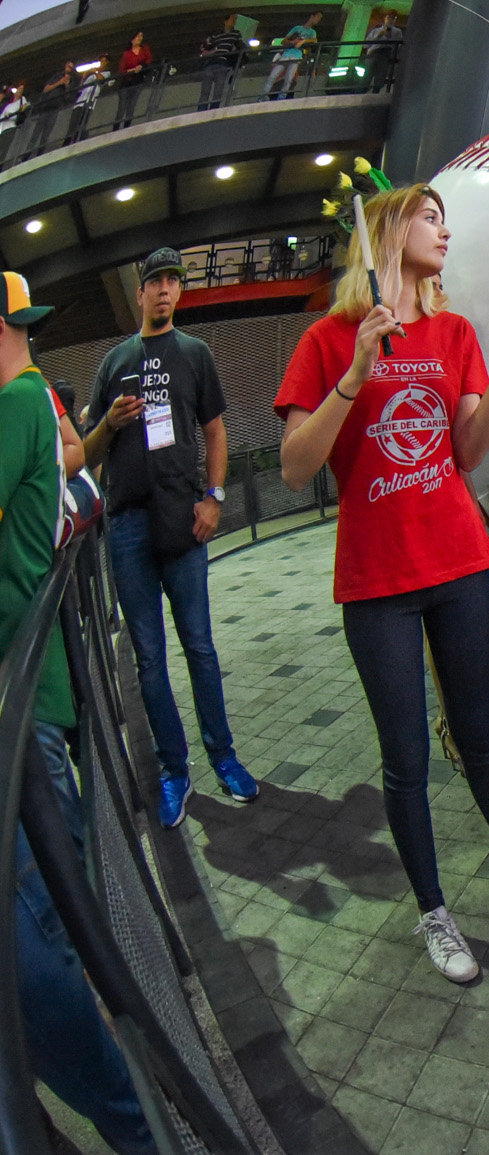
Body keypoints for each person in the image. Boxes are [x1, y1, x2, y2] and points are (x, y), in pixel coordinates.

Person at [275, 185, 489, 982]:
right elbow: (296, 466)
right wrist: (356, 374)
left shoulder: (452, 334)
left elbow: (470, 450)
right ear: (387, 229)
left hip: (456, 560)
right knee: (405, 755)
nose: (444, 232)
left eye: (446, 220)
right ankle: (433, 912)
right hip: (376, 578)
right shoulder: (327, 338)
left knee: (480, 734)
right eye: (430, 217)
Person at [3, 272, 159, 1154]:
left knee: (45, 930)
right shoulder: (33, 397)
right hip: (39, 698)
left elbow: (75, 486)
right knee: (52, 920)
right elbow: (75, 477)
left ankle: (136, 1120)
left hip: (31, 705)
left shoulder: (22, 396)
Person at [84, 247, 257, 830]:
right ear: (139, 293)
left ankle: (224, 757)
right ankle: (174, 770)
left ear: (179, 294)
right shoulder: (113, 362)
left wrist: (214, 498)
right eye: (155, 281)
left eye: (173, 282)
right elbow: (87, 454)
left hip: (185, 519)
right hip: (129, 524)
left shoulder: (195, 354)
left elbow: (215, 432)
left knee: (201, 648)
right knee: (151, 660)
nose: (164, 290)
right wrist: (109, 422)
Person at [21, 62, 74, 160]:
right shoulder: (57, 75)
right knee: (36, 133)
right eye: (68, 66)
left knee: (46, 134)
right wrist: (59, 82)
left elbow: (68, 97)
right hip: (46, 107)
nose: (69, 68)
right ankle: (26, 155)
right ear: (65, 66)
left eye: (71, 67)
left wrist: (66, 86)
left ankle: (39, 154)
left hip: (55, 109)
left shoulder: (71, 80)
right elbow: (46, 89)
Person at [265, 13, 321, 99]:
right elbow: (284, 41)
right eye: (317, 17)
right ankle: (263, 96)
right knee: (273, 77)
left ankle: (281, 97)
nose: (318, 20)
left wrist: (303, 41)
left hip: (296, 57)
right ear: (312, 16)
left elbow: (314, 40)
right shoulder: (297, 28)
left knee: (288, 79)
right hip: (286, 55)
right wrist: (293, 42)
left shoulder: (312, 32)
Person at [197, 14, 245, 111]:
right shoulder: (216, 35)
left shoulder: (236, 34)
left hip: (223, 63)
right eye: (232, 19)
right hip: (212, 63)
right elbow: (207, 47)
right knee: (205, 90)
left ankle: (213, 111)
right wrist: (206, 46)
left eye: (235, 20)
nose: (234, 21)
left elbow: (240, 46)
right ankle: (202, 111)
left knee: (218, 91)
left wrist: (235, 50)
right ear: (226, 21)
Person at [65, 57, 107, 144]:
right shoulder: (90, 75)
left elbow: (101, 79)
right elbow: (81, 88)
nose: (101, 63)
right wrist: (84, 76)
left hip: (89, 103)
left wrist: (94, 71)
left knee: (82, 124)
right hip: (79, 102)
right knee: (72, 126)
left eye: (104, 62)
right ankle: (67, 143)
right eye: (100, 61)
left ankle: (80, 141)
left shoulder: (106, 73)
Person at [114, 32, 152, 128]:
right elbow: (121, 70)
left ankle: (126, 127)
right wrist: (131, 70)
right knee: (122, 106)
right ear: (132, 39)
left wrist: (141, 67)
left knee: (132, 105)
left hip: (137, 81)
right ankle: (116, 127)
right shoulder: (127, 54)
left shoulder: (144, 49)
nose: (139, 38)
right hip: (126, 82)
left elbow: (149, 60)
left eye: (141, 36)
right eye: (137, 36)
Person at [363, 10, 404, 92]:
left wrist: (388, 34)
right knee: (367, 74)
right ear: (385, 18)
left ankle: (376, 91)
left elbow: (397, 45)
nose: (390, 20)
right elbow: (366, 45)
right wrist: (378, 36)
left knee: (380, 75)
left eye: (393, 18)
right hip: (373, 53)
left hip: (385, 53)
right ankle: (363, 90)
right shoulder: (376, 30)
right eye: (388, 17)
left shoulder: (397, 32)